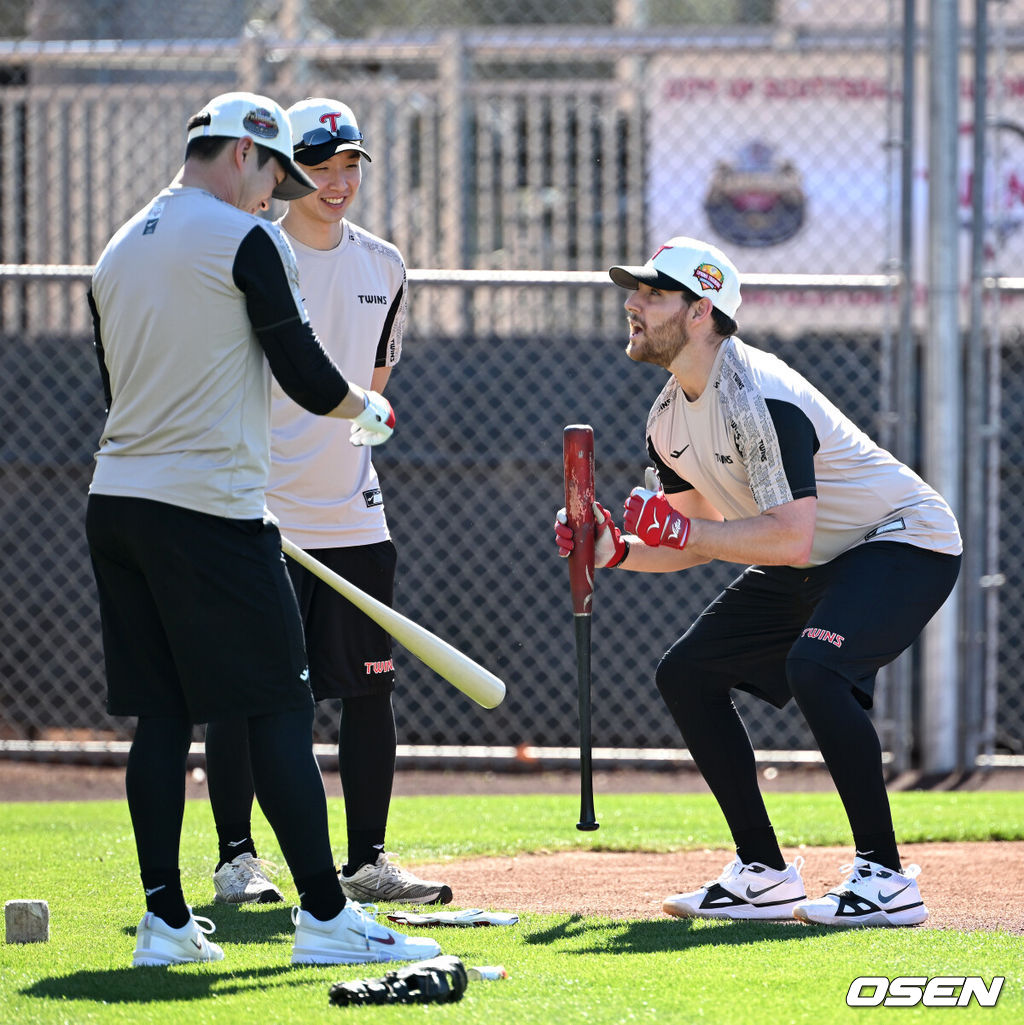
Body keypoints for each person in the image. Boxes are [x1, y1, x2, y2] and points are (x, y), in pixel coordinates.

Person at [86, 90, 441, 968]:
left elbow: (112, 388)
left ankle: (164, 921)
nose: (275, 196)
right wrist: (370, 409)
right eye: (274, 176)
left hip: (118, 503)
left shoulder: (120, 245)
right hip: (214, 507)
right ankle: (327, 918)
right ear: (244, 154)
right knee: (281, 701)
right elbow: (308, 374)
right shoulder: (249, 238)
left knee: (163, 715)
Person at [554, 236, 962, 927]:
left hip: (903, 540)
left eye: (652, 293)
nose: (632, 303)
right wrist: (614, 549)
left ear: (699, 311)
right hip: (811, 558)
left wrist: (684, 534)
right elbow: (690, 536)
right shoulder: (665, 415)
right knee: (685, 673)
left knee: (818, 667)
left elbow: (783, 533)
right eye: (636, 291)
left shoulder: (759, 396)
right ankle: (764, 873)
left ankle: (887, 877)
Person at [203, 97, 452, 908]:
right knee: (251, 691)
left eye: (350, 165)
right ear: (282, 168)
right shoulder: (252, 249)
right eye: (319, 163)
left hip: (353, 513)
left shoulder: (386, 263)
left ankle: (368, 860)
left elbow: (370, 393)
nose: (337, 181)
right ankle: (237, 858)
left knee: (370, 687)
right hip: (257, 515)